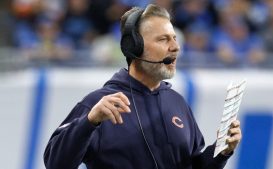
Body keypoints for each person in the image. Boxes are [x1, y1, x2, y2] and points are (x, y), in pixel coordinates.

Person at [44, 4, 242, 169]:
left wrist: (221, 152)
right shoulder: (99, 104)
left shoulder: (177, 102)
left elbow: (193, 165)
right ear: (134, 47)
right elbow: (55, 163)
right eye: (163, 39)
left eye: (174, 38)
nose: (175, 46)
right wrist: (89, 122)